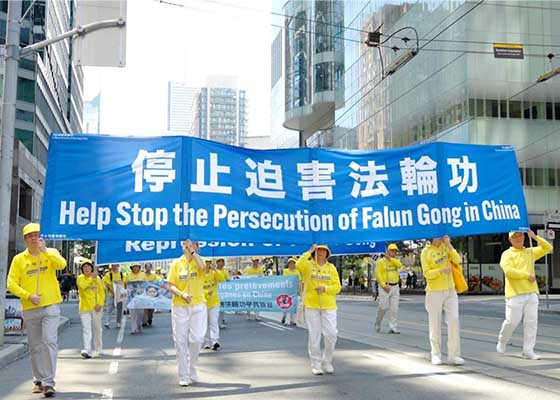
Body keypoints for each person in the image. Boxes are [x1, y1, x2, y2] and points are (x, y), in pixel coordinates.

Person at [7, 223, 67, 397]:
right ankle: (38, 379)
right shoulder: (19, 259)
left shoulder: (50, 253)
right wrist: (28, 295)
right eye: (30, 236)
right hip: (30, 307)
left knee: (49, 341)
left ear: (41, 238)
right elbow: (11, 283)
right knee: (35, 346)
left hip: (50, 305)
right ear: (25, 240)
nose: (34, 238)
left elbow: (62, 264)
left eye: (36, 235)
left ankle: (48, 383)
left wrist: (45, 251)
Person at [497, 230, 553, 359]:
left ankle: (528, 350)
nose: (518, 238)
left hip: (531, 293)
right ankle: (502, 340)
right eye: (515, 237)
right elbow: (509, 271)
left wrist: (535, 237)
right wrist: (526, 275)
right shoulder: (507, 254)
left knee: (531, 323)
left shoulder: (530, 252)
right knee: (512, 322)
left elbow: (548, 248)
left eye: (520, 235)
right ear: (510, 240)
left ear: (524, 237)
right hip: (515, 294)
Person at [167, 240, 208, 386]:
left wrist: (193, 252)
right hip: (180, 306)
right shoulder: (176, 263)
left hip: (198, 305)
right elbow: (170, 285)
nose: (189, 246)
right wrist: (182, 294)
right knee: (180, 341)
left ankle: (192, 368)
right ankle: (184, 375)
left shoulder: (200, 260)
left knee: (197, 339)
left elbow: (203, 268)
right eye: (186, 245)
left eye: (193, 244)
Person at [296, 244, 341, 375]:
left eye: (323, 250)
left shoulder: (331, 268)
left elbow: (337, 287)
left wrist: (325, 289)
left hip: (329, 305)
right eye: (318, 250)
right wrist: (308, 251)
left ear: (327, 253)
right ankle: (316, 364)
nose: (321, 253)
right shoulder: (308, 265)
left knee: (331, 334)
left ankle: (327, 361)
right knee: (314, 335)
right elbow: (299, 264)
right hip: (311, 305)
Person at [421, 235, 463, 366]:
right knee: (435, 323)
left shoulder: (446, 248)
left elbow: (458, 260)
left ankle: (454, 355)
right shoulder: (426, 251)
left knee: (454, 320)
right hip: (434, 291)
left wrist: (449, 245)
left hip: (450, 289)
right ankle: (435, 354)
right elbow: (426, 273)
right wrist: (440, 271)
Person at [77, 258, 105, 359]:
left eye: (88, 266)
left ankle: (98, 348)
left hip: (96, 308)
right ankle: (87, 349)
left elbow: (101, 292)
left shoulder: (98, 279)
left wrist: (100, 304)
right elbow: (83, 286)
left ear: (92, 268)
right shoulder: (80, 278)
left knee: (97, 328)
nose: (86, 268)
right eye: (84, 267)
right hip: (84, 308)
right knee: (86, 329)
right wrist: (91, 278)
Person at [375, 243, 403, 334]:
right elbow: (378, 274)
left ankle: (393, 327)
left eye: (395, 251)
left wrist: (390, 259)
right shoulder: (381, 262)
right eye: (392, 251)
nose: (394, 253)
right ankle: (378, 322)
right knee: (383, 307)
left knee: (394, 308)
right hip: (385, 287)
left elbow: (399, 265)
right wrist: (383, 285)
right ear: (388, 251)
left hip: (395, 287)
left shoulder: (395, 261)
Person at [203, 258, 225, 350]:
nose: (207, 264)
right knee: (205, 324)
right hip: (203, 303)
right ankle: (207, 342)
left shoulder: (214, 273)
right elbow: (197, 288)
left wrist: (215, 270)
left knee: (213, 322)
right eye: (206, 262)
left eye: (209, 262)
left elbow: (222, 279)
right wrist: (206, 292)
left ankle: (215, 341)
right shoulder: (200, 274)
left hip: (214, 302)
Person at [102, 264, 125, 329]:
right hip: (111, 294)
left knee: (119, 308)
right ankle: (107, 322)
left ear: (118, 266)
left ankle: (118, 322)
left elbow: (124, 283)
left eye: (115, 265)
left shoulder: (122, 274)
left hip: (120, 294)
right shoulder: (108, 275)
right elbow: (108, 285)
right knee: (109, 308)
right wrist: (114, 293)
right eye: (113, 265)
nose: (114, 267)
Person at [125, 263, 145, 334]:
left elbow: (146, 284)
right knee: (133, 314)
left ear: (139, 267)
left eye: (137, 266)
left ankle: (139, 325)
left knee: (140, 313)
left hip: (141, 297)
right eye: (134, 267)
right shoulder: (128, 276)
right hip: (132, 298)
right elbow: (125, 285)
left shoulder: (143, 275)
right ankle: (133, 329)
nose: (135, 268)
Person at [281, 257, 301, 325]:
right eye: (290, 263)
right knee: (285, 305)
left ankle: (292, 320)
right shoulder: (285, 271)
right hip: (286, 291)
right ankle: (284, 316)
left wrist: (299, 290)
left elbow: (299, 281)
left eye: (293, 263)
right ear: (288, 264)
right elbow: (285, 279)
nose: (291, 264)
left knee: (293, 306)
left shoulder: (297, 271)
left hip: (294, 292)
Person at [245, 256, 264, 321]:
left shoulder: (260, 269)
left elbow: (262, 278)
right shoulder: (249, 269)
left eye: (257, 261)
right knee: (249, 302)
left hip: (257, 288)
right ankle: (248, 315)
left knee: (257, 301)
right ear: (252, 261)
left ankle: (257, 315)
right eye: (254, 261)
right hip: (250, 288)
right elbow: (247, 278)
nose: (255, 262)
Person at [143, 262, 159, 327]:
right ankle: (145, 321)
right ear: (145, 268)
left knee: (151, 308)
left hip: (152, 293)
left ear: (151, 268)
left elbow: (157, 283)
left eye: (149, 267)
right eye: (147, 267)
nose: (148, 268)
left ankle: (150, 318)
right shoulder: (142, 275)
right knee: (145, 308)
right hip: (145, 293)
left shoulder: (154, 275)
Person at [215, 257, 230, 328]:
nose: (221, 263)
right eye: (219, 262)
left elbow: (228, 280)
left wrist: (228, 280)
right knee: (215, 309)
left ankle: (220, 322)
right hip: (215, 293)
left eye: (222, 262)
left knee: (222, 309)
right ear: (217, 263)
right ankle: (215, 323)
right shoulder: (214, 271)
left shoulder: (225, 272)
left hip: (223, 294)